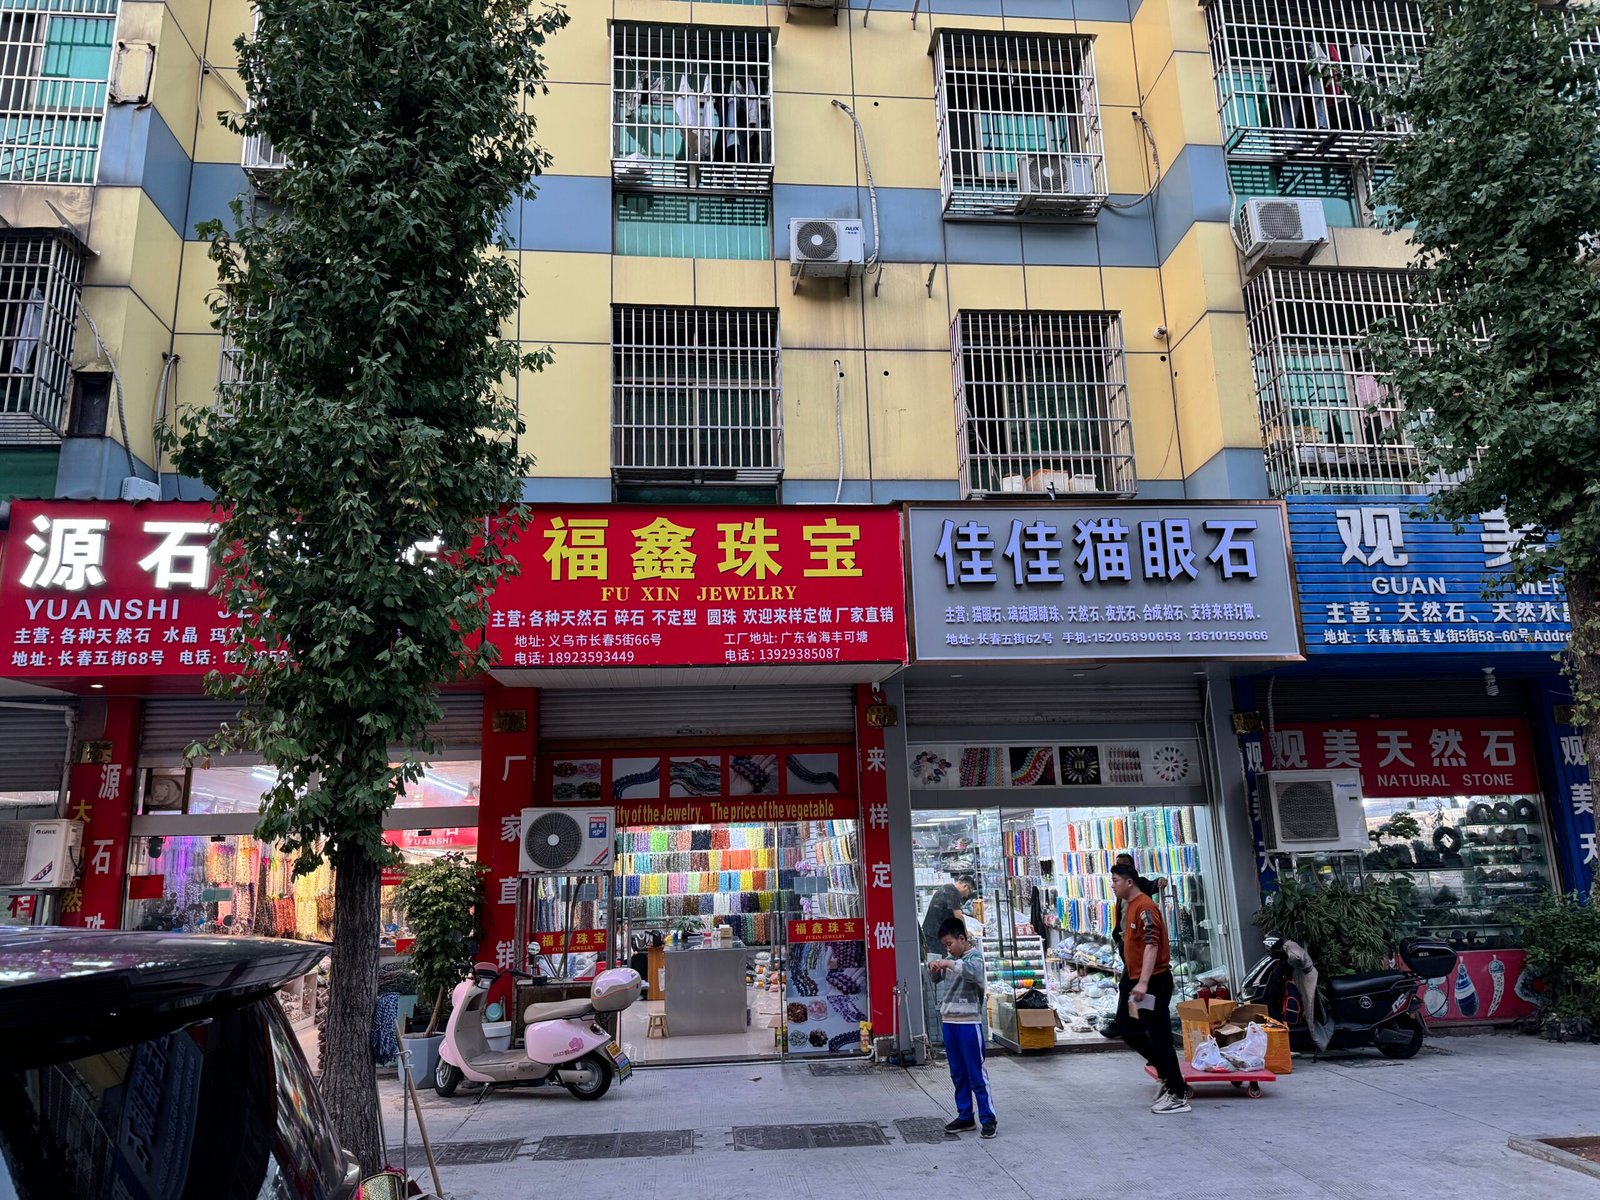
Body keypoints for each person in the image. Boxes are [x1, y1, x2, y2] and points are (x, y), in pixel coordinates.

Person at [1110, 861, 1190, 1114]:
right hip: (1133, 978)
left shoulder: (1145, 907)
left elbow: (1152, 944)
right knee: (1127, 1027)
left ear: (1129, 882)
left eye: (1116, 881)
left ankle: (1177, 1092)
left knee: (1160, 1035)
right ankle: (1169, 1076)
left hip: (1153, 980)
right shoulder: (1130, 906)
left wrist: (1143, 982)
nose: (1113, 886)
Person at [928, 916, 997, 1138]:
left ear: (962, 938)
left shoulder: (974, 958)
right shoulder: (951, 959)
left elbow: (972, 973)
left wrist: (948, 963)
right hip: (949, 1022)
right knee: (957, 1073)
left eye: (950, 944)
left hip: (969, 1023)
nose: (948, 949)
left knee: (976, 1073)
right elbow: (935, 979)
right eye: (945, 946)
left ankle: (988, 1118)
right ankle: (965, 1115)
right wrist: (935, 968)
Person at [1110, 852, 1161, 965]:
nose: (1121, 868)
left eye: (1124, 865)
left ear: (1132, 866)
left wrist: (1160, 881)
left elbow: (1153, 885)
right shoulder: (1119, 886)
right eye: (1118, 865)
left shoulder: (1140, 883)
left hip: (1140, 941)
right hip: (1124, 940)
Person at [921, 872, 975, 954]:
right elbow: (959, 916)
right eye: (969, 891)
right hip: (934, 934)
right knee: (939, 959)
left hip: (931, 932)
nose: (967, 896)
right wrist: (966, 933)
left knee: (937, 958)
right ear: (965, 887)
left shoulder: (948, 888)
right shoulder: (953, 892)